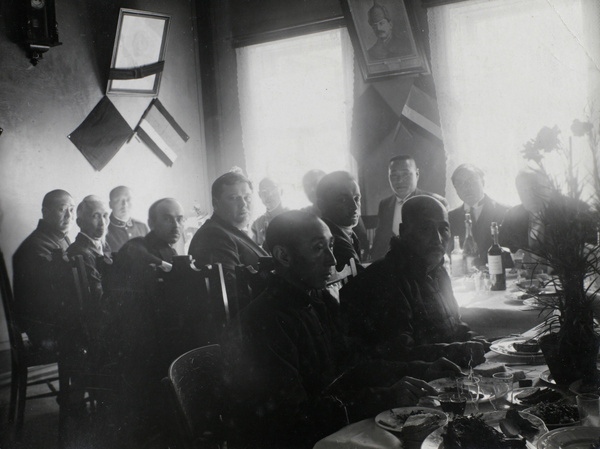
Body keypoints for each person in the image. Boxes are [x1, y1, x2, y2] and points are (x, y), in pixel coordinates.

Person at [223, 211, 457, 449]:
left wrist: (423, 370)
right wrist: (383, 397)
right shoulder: (264, 321)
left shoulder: (319, 300)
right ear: (284, 256)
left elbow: (355, 365)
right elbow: (291, 419)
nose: (332, 261)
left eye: (331, 246)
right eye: (318, 248)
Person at [341, 196, 486, 368]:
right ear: (403, 231)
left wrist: (479, 343)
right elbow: (398, 354)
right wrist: (459, 351)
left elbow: (454, 328)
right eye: (425, 229)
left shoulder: (437, 270)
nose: (438, 239)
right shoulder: (387, 279)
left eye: (443, 229)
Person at [103, 198, 185, 445]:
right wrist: (170, 267)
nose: (176, 224)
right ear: (151, 222)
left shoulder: (169, 249)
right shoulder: (138, 246)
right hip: (136, 341)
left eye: (179, 219)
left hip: (155, 331)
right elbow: (137, 255)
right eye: (168, 218)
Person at [189, 171, 269, 301]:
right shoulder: (214, 235)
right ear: (215, 204)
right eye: (233, 198)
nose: (243, 204)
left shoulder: (231, 231)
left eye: (247, 197)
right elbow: (232, 295)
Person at [12, 189, 75, 349]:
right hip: (46, 331)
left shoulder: (58, 238)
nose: (69, 216)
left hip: (53, 322)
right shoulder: (36, 247)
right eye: (62, 209)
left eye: (72, 209)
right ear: (45, 212)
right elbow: (53, 297)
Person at [371, 155, 448, 260]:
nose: (400, 180)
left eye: (406, 174)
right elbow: (379, 244)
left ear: (417, 174)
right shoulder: (385, 204)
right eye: (394, 176)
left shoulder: (435, 202)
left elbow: (444, 245)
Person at [448, 163, 509, 264]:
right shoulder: (450, 217)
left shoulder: (505, 211)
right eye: (460, 183)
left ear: (483, 182)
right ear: (455, 189)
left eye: (471, 181)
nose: (467, 187)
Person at [67, 195, 111, 333]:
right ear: (80, 222)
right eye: (96, 216)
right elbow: (97, 298)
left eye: (105, 216)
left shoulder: (103, 246)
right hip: (97, 324)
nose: (103, 223)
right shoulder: (80, 252)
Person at [316, 171, 363, 270]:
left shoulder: (348, 233)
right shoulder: (332, 241)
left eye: (356, 198)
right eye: (342, 200)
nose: (354, 207)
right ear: (322, 205)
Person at [499, 168, 553, 253]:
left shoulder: (565, 215)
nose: (529, 195)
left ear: (548, 188)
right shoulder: (512, 215)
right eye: (523, 190)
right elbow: (502, 249)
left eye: (534, 188)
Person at [105, 186, 149, 253]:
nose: (125, 204)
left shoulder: (142, 227)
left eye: (128, 200)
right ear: (110, 204)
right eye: (119, 200)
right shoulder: (103, 229)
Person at [251, 177, 288, 247]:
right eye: (264, 192)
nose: (269, 195)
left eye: (273, 191)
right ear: (259, 195)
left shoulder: (295, 217)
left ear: (281, 191)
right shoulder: (257, 224)